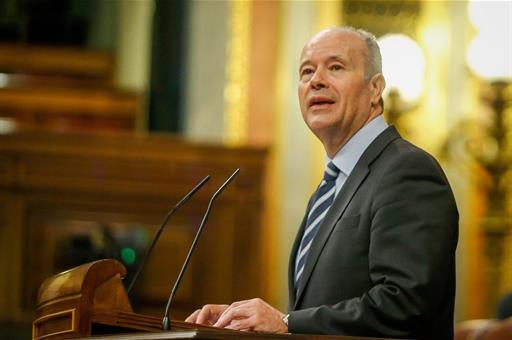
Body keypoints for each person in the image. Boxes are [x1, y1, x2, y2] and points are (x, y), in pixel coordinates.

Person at [186, 26, 459, 339]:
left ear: (375, 89)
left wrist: (287, 322)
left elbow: (408, 304)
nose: (315, 80)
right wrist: (246, 323)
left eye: (335, 67)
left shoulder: (407, 171)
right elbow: (327, 305)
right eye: (306, 71)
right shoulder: (330, 187)